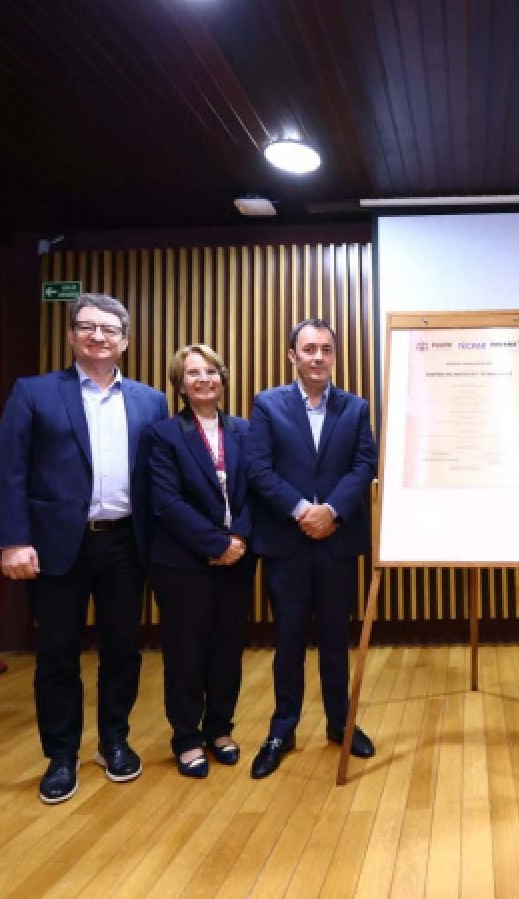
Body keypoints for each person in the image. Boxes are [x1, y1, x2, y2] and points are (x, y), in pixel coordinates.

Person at [0, 293, 168, 804]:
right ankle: (61, 755)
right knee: (57, 654)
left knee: (122, 650)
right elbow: (9, 472)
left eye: (109, 330)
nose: (98, 336)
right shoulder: (35, 393)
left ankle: (114, 741)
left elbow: (156, 479)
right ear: (71, 336)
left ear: (125, 341)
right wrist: (13, 540)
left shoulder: (148, 400)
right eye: (87, 327)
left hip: (124, 545)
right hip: (54, 548)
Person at [244, 318, 379, 779]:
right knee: (288, 640)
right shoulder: (268, 404)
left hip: (337, 542)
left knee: (336, 639)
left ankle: (340, 723)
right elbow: (258, 469)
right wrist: (303, 510)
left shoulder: (355, 407)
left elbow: (365, 465)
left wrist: (333, 512)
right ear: (292, 357)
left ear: (334, 356)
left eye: (325, 349)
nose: (317, 357)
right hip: (288, 542)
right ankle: (282, 728)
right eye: (308, 349)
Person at [146, 344, 255, 778]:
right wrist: (215, 543)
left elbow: (257, 490)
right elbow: (166, 503)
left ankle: (220, 729)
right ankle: (187, 738)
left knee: (227, 648)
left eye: (211, 371)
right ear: (180, 385)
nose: (204, 379)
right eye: (193, 373)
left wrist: (239, 538)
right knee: (186, 651)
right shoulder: (164, 435)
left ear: (223, 379)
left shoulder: (246, 431)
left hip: (238, 557)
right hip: (184, 562)